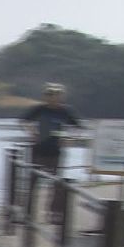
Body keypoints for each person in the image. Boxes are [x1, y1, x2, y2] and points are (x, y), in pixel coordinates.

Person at [20, 82, 82, 224]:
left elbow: (78, 127)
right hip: (38, 149)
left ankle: (53, 214)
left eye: (56, 95)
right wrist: (31, 131)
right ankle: (27, 214)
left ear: (61, 96)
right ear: (45, 96)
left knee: (56, 183)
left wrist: (70, 138)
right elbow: (23, 121)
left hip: (55, 151)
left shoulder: (65, 111)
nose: (52, 98)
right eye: (49, 94)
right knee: (32, 182)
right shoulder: (39, 109)